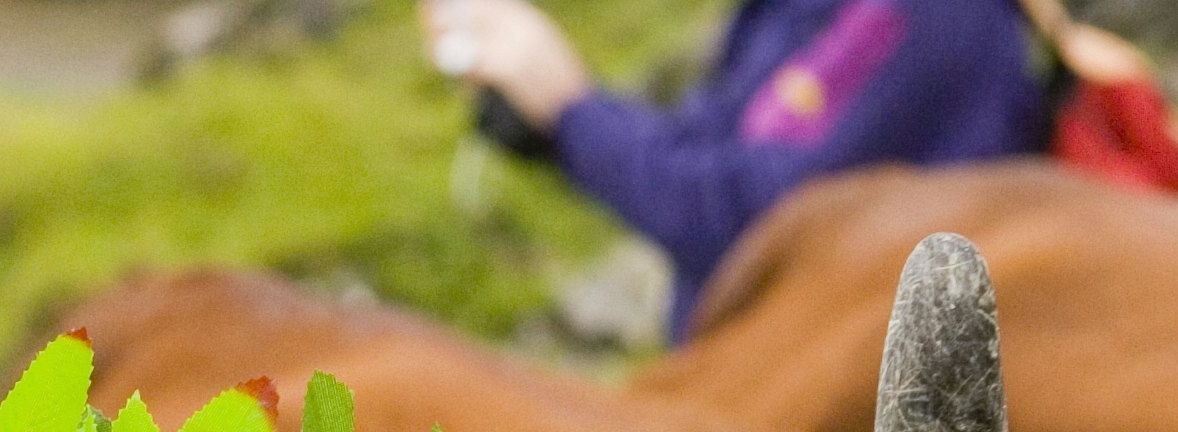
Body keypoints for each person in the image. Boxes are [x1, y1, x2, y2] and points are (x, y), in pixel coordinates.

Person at [422, 0, 1053, 336]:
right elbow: (716, 147)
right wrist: (544, 118)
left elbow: (752, 224)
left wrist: (569, 109)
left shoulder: (926, 13)